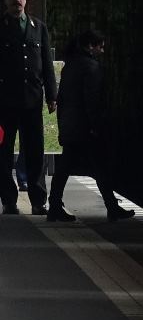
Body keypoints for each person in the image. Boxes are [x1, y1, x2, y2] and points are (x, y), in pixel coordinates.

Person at [46, 29, 134, 223]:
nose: (102, 51)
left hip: (71, 125)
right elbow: (92, 100)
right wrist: (96, 125)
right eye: (100, 46)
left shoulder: (69, 66)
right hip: (85, 127)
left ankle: (54, 205)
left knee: (66, 168)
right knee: (99, 167)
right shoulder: (91, 68)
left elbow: (63, 98)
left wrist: (62, 126)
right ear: (90, 46)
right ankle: (111, 207)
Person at [0, 0, 56, 214]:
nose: (17, 1)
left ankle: (37, 200)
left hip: (32, 101)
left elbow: (46, 63)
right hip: (3, 104)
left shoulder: (38, 27)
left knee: (35, 151)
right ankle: (9, 200)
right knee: (2, 152)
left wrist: (52, 95)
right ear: (5, 0)